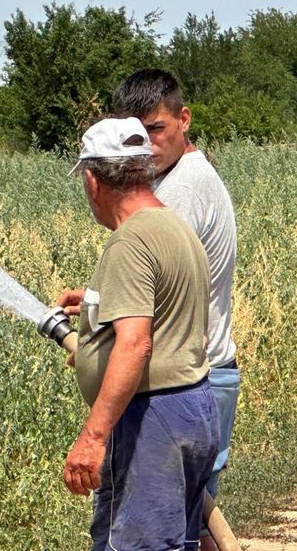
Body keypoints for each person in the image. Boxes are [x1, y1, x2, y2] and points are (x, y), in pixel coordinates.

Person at [60, 116, 218, 551]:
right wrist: (97, 309)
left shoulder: (129, 242)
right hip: (192, 408)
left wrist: (92, 438)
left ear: (93, 180)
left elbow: (136, 344)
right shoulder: (173, 227)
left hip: (151, 422)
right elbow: (169, 313)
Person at [113, 69, 239, 550]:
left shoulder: (180, 192)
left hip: (191, 377)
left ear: (184, 119)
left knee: (179, 528)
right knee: (193, 522)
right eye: (136, 135)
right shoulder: (188, 176)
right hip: (208, 372)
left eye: (157, 129)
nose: (147, 145)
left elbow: (159, 292)